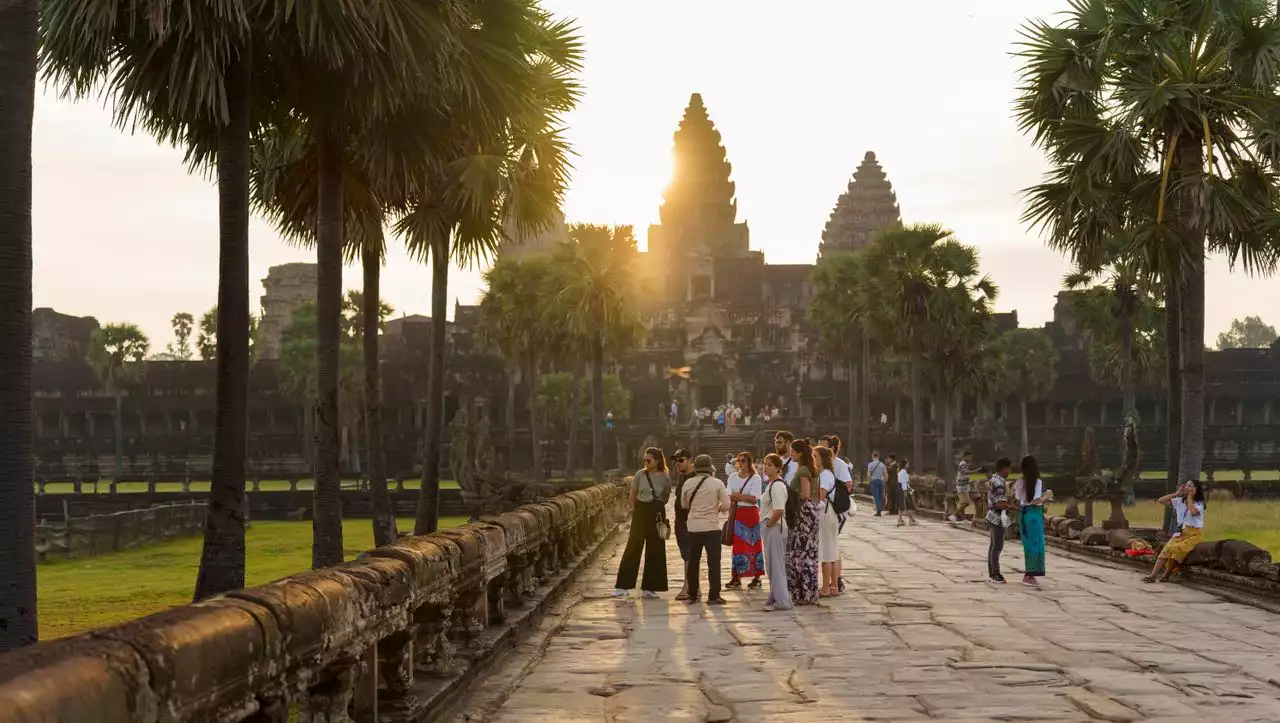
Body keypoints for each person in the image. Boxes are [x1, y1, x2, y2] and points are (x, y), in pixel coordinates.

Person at [612, 447, 671, 598]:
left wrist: (655, 506)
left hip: (657, 512)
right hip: (641, 511)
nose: (646, 462)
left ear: (657, 460)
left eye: (649, 460)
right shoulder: (640, 474)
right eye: (644, 460)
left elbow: (666, 496)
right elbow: (632, 496)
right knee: (633, 547)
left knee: (655, 549)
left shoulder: (665, 476)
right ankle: (622, 586)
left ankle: (650, 588)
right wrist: (638, 511)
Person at [681, 454, 730, 605]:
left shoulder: (688, 483)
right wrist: (717, 508)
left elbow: (684, 505)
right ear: (710, 468)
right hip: (711, 528)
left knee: (693, 562)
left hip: (694, 527)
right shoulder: (717, 483)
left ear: (695, 467)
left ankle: (692, 594)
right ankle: (714, 595)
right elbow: (727, 506)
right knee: (714, 563)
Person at [1145, 479, 1206, 583]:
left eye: (1190, 486)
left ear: (1196, 489)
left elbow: (1192, 512)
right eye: (1186, 485)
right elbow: (1161, 500)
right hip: (1181, 532)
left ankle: (1166, 574)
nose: (1186, 487)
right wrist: (1177, 493)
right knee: (1166, 549)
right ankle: (1153, 575)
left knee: (1176, 549)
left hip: (1194, 534)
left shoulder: (1199, 504)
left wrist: (1190, 497)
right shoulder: (1179, 501)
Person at [785, 438, 820, 605]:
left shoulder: (804, 470)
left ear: (799, 453)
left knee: (803, 552)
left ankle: (804, 592)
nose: (790, 453)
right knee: (805, 552)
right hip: (809, 510)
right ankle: (805, 591)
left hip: (804, 511)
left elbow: (805, 494)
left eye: (792, 451)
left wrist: (790, 496)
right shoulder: (806, 468)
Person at [726, 452, 764, 590]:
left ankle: (757, 576)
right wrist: (742, 497)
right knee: (738, 546)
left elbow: (754, 498)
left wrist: (738, 496)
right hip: (738, 512)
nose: (740, 463)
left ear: (749, 462)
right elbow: (729, 495)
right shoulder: (732, 477)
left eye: (743, 461)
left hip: (751, 513)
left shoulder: (756, 478)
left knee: (754, 544)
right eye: (739, 461)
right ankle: (736, 576)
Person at [759, 453, 792, 611]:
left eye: (770, 465)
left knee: (776, 566)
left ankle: (782, 601)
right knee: (772, 566)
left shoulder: (777, 485)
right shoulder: (771, 484)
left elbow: (779, 510)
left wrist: (768, 525)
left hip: (775, 526)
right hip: (772, 527)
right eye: (765, 464)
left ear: (779, 468)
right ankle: (775, 598)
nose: (766, 467)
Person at [1015, 455, 1048, 587]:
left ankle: (1029, 573)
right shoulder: (1039, 482)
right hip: (1035, 514)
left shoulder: (1019, 482)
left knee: (1028, 545)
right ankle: (1030, 574)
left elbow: (1018, 499)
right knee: (1037, 544)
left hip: (1024, 515)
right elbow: (1041, 498)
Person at [814, 446, 842, 597]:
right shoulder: (828, 474)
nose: (813, 459)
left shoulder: (824, 474)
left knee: (825, 552)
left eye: (815, 456)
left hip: (826, 513)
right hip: (831, 513)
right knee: (832, 550)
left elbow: (821, 494)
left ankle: (826, 587)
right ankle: (834, 587)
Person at [670, 448, 695, 600]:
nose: (677, 463)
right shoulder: (682, 477)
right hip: (680, 520)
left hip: (689, 521)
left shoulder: (694, 478)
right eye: (676, 461)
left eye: (681, 460)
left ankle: (687, 587)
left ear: (690, 461)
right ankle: (693, 587)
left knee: (689, 555)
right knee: (687, 555)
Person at [986, 457, 1013, 585]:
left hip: (992, 515)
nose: (1010, 471)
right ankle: (996, 574)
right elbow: (1001, 504)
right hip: (997, 516)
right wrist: (1012, 506)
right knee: (997, 547)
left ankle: (992, 573)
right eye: (1009, 468)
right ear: (1005, 468)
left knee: (993, 546)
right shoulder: (999, 483)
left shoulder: (994, 479)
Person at [949, 450, 973, 523]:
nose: (970, 459)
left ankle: (963, 518)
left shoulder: (964, 463)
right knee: (967, 503)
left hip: (963, 486)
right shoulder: (963, 464)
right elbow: (966, 472)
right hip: (962, 487)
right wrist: (977, 470)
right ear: (965, 457)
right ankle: (954, 515)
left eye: (970, 457)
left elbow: (964, 475)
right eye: (969, 457)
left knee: (963, 503)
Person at [896, 459, 918, 527]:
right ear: (905, 464)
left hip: (900, 488)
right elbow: (904, 483)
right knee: (910, 505)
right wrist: (905, 491)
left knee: (902, 505)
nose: (908, 465)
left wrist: (910, 488)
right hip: (903, 489)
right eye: (908, 464)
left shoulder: (900, 471)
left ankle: (901, 519)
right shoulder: (903, 472)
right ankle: (911, 519)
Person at [867, 451, 887, 516]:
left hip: (874, 481)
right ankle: (880, 509)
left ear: (873, 456)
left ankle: (878, 511)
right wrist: (884, 481)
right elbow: (886, 474)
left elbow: (869, 474)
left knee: (876, 496)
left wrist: (869, 481)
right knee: (881, 496)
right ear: (878, 456)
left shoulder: (870, 464)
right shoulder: (882, 464)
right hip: (881, 481)